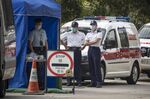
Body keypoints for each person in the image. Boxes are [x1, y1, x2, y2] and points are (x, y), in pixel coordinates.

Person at [60, 21, 85, 87]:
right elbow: (60, 38)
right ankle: (69, 81)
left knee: (78, 67)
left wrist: (83, 47)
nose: (74, 28)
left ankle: (79, 81)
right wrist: (65, 46)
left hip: (77, 50)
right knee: (69, 66)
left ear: (77, 27)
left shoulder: (81, 34)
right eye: (73, 27)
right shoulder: (68, 33)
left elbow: (85, 41)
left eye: (75, 27)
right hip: (70, 50)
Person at [29, 18, 48, 90]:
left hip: (42, 49)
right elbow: (30, 43)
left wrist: (47, 50)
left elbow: (46, 41)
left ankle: (42, 84)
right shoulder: (32, 32)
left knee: (42, 68)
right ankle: (38, 85)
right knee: (37, 68)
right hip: (36, 49)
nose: (39, 25)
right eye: (37, 24)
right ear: (35, 24)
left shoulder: (44, 31)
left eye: (40, 24)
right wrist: (33, 52)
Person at [84, 20, 102, 88]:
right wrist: (87, 43)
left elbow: (95, 41)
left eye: (93, 25)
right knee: (91, 66)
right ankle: (93, 82)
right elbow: (86, 40)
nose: (92, 26)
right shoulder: (88, 33)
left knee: (97, 66)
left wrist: (87, 43)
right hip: (90, 49)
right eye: (91, 25)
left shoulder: (99, 33)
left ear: (96, 26)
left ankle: (99, 82)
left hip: (96, 50)